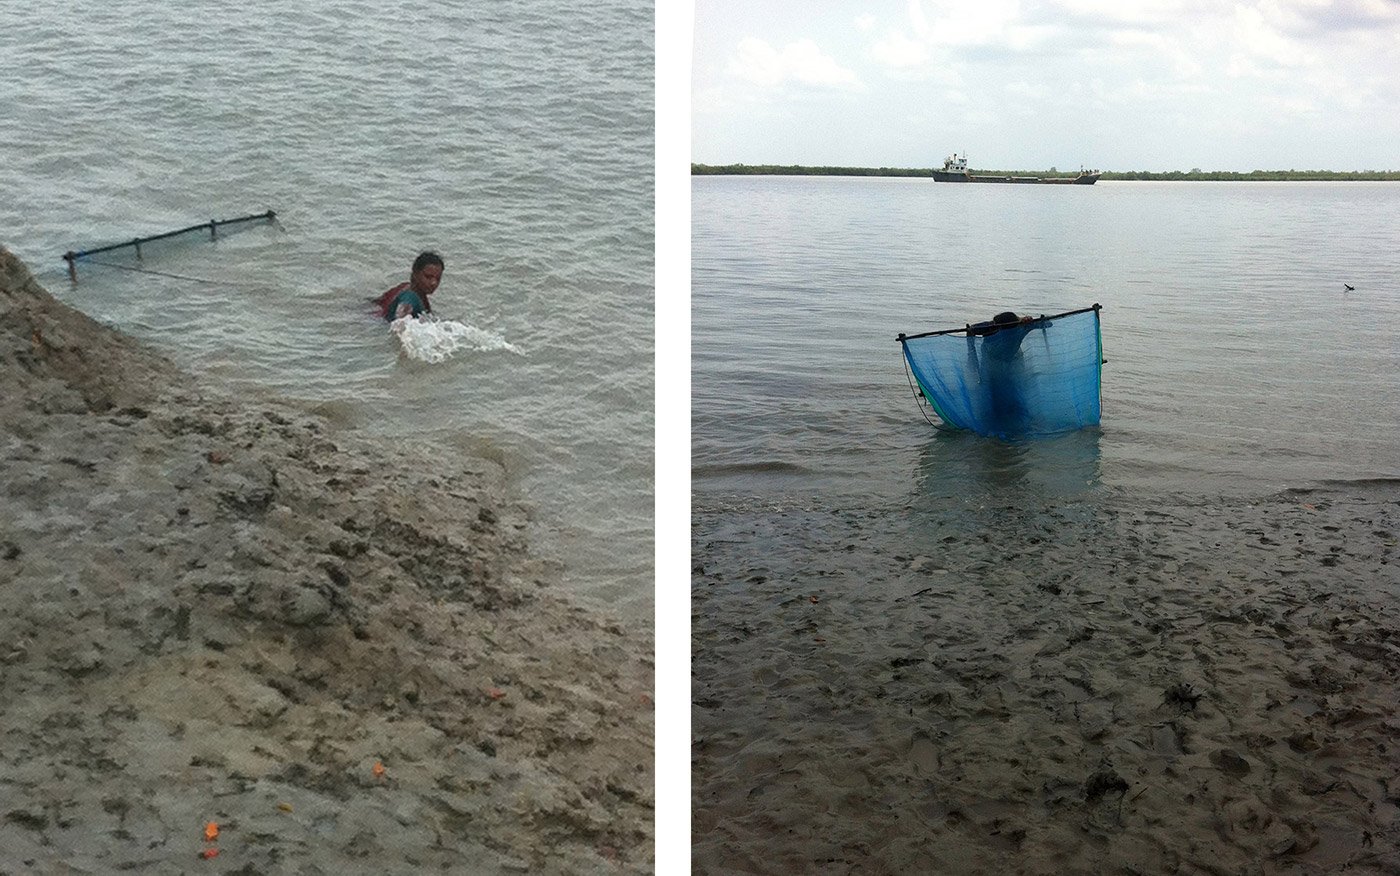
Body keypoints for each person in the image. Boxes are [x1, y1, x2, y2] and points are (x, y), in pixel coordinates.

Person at [373, 251, 444, 321]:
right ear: (415, 273)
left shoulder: (406, 287)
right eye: (428, 277)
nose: (433, 283)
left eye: (438, 278)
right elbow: (399, 324)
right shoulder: (410, 297)